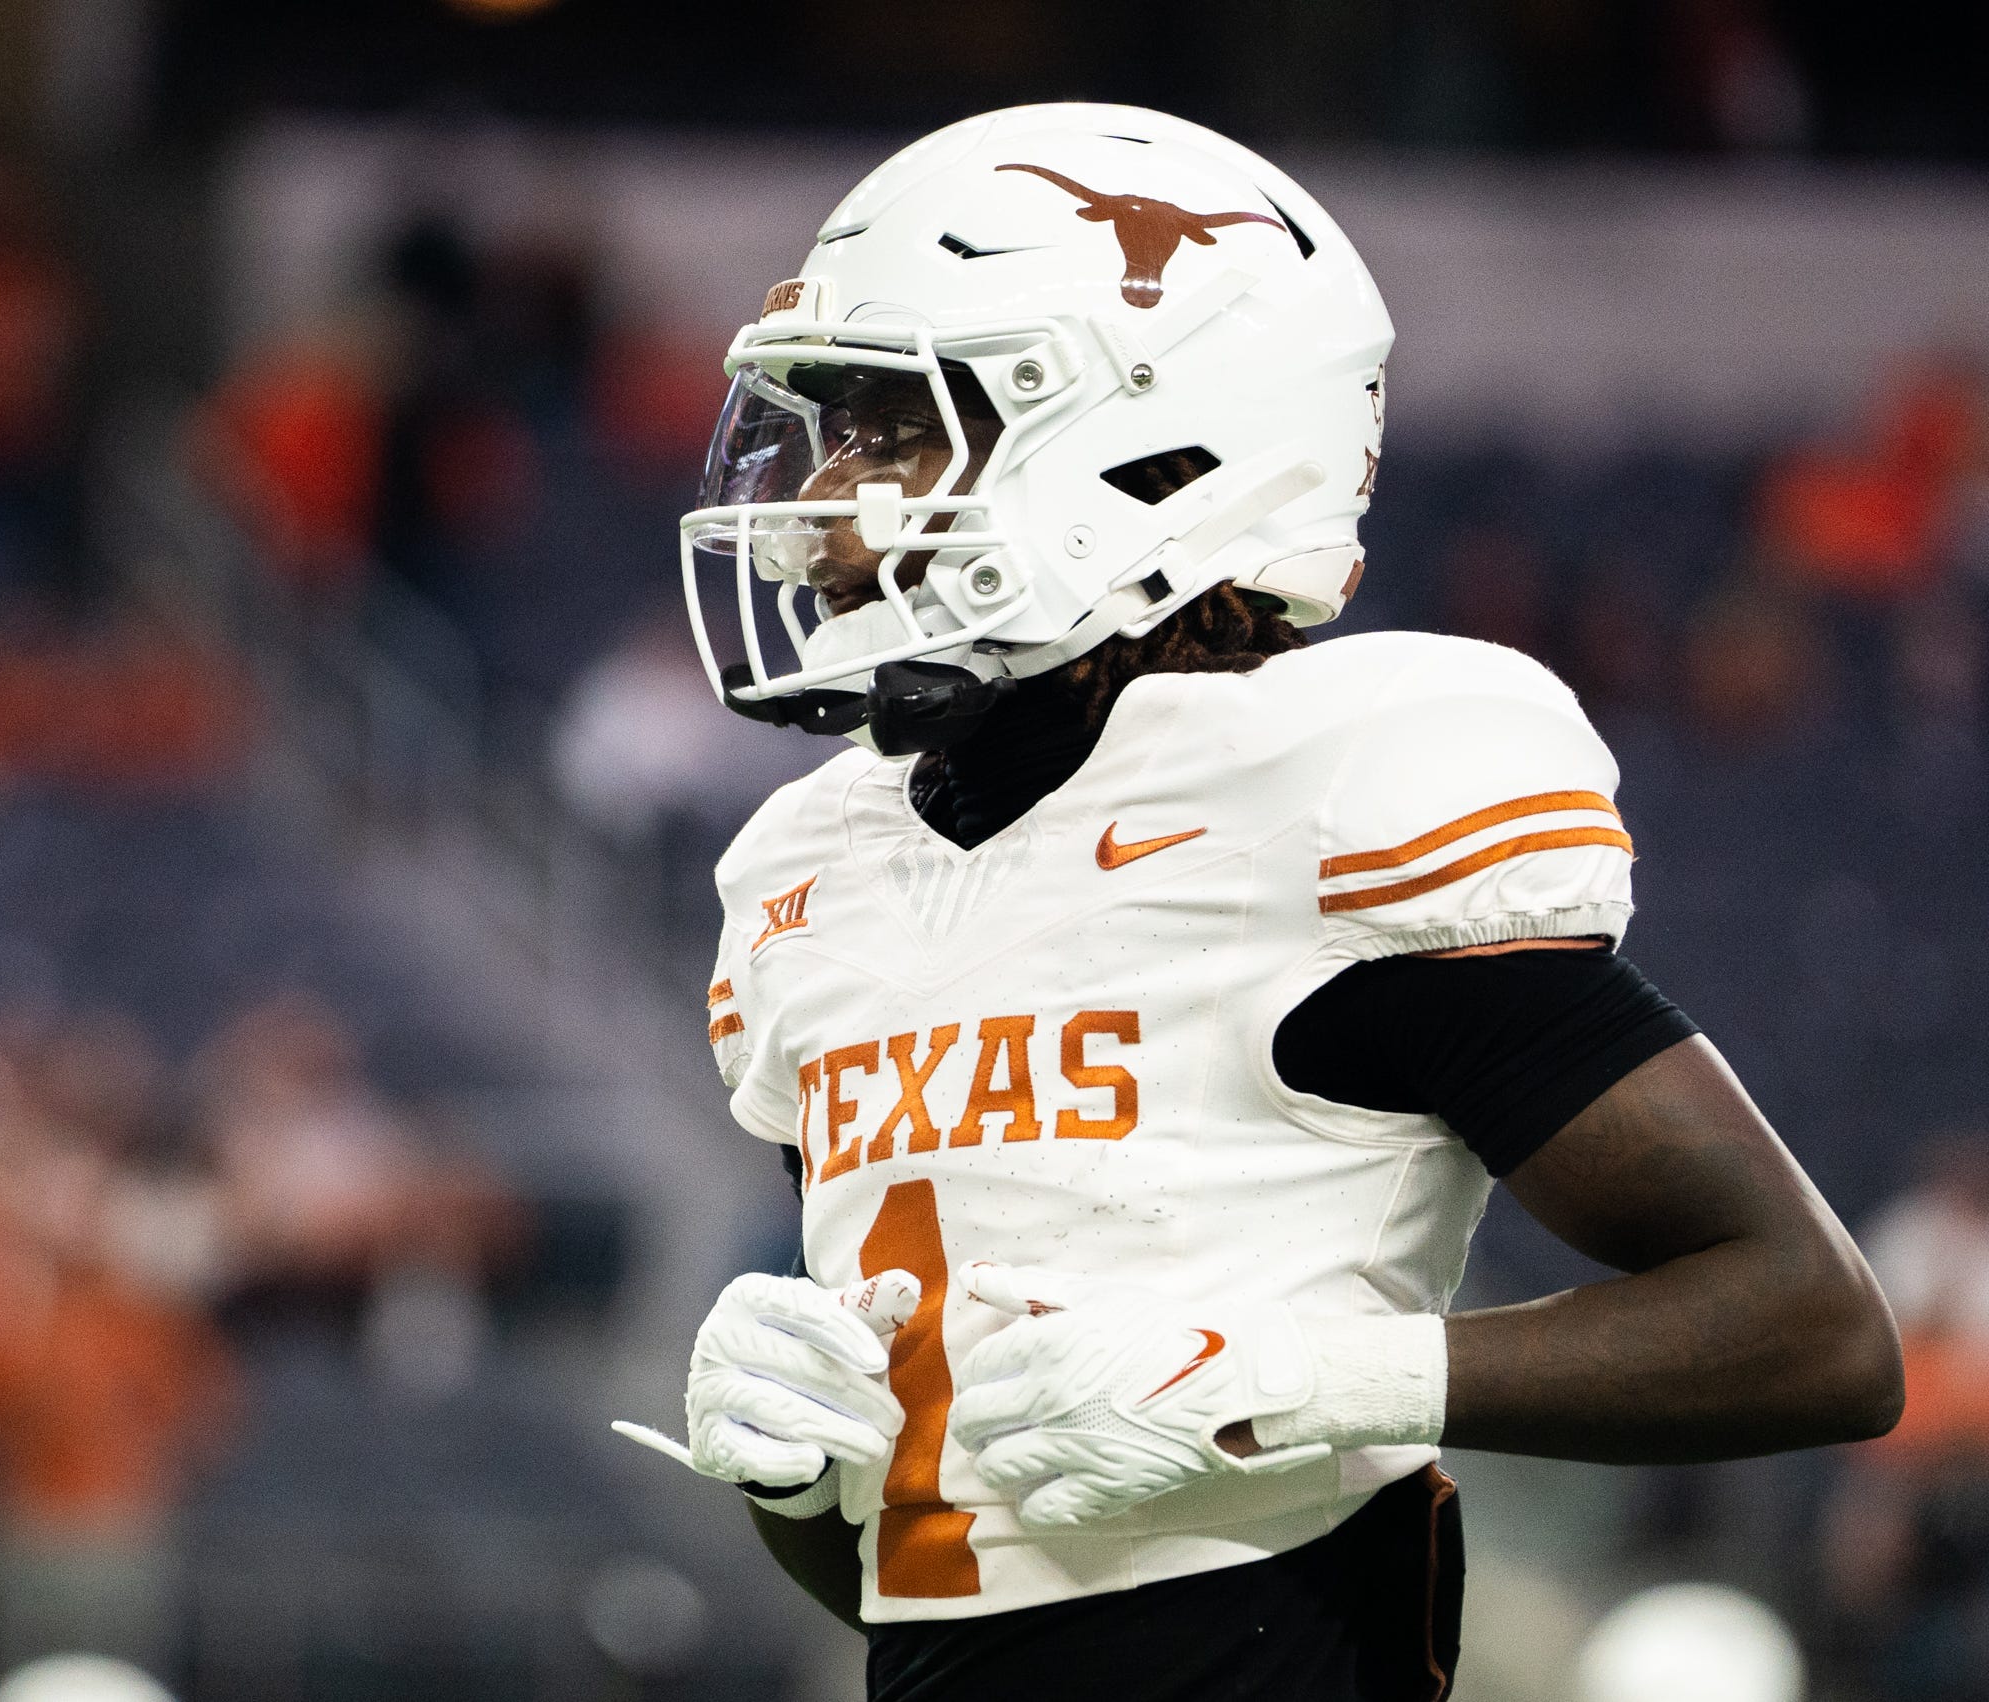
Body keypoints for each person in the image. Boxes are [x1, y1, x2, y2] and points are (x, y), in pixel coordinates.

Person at [618, 105, 1904, 1701]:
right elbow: (939, 1574)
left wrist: (1302, 1383)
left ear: (1148, 445)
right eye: (830, 440)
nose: (823, 510)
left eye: (896, 434)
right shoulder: (822, 875)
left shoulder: (1318, 797)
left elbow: (1814, 1327)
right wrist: (797, 1473)